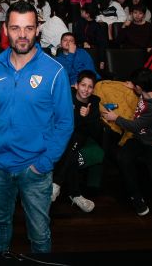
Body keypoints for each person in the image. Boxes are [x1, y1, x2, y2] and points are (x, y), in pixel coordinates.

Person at [0, 1, 74, 253]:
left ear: (38, 30)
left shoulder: (55, 71)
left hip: (35, 168)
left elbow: (65, 123)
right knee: (0, 224)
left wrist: (44, 163)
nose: (22, 35)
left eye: (28, 28)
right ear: (6, 31)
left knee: (39, 233)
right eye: (15, 28)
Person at [102, 68, 152, 216]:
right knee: (123, 158)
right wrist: (134, 87)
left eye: (134, 84)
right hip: (139, 137)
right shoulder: (149, 92)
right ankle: (136, 197)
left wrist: (115, 118)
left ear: (140, 87)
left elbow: (135, 126)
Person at [51, 70, 105, 212]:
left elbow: (96, 132)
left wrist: (86, 117)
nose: (86, 90)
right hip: (62, 134)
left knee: (75, 138)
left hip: (80, 137)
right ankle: (76, 195)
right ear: (76, 85)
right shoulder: (66, 96)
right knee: (72, 153)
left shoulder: (94, 102)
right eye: (83, 85)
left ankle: (56, 183)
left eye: (90, 87)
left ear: (93, 89)